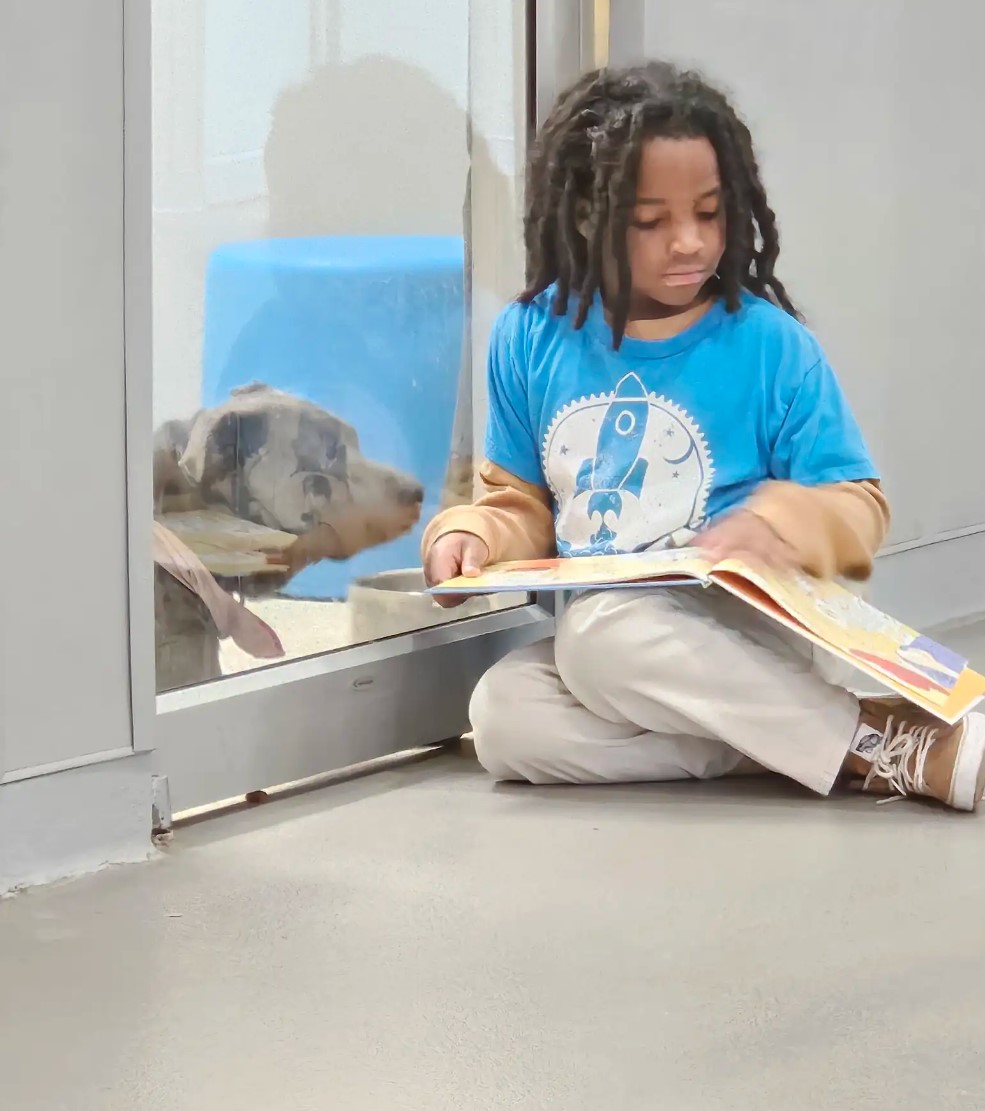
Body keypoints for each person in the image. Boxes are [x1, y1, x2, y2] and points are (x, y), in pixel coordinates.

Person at [422, 61, 985, 811]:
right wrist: (477, 534)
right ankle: (853, 737)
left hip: (741, 634)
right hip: (616, 650)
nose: (688, 243)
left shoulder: (768, 346)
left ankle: (861, 744)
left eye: (711, 213)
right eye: (650, 221)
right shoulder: (529, 338)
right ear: (587, 215)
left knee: (595, 639)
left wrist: (783, 521)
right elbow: (520, 499)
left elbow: (858, 505)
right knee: (503, 717)